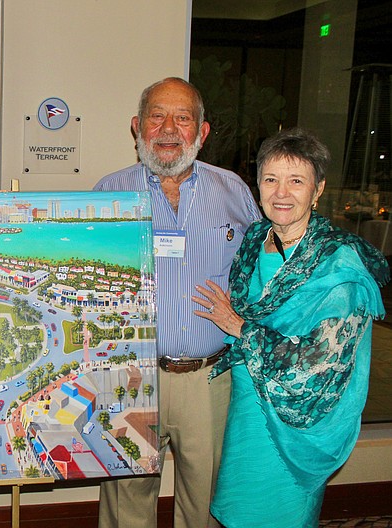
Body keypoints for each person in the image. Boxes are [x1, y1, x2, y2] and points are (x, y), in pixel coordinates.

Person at [193, 128, 389, 527]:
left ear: (317, 191)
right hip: (248, 404)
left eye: (296, 181)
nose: (281, 192)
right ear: (258, 187)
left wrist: (240, 328)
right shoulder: (252, 240)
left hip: (296, 421)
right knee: (236, 510)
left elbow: (322, 363)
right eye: (271, 179)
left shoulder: (338, 264)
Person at [92, 77, 261, 528]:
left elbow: (266, 271)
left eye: (183, 118)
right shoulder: (107, 194)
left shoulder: (235, 192)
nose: (169, 128)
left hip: (209, 380)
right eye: (157, 116)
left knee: (205, 501)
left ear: (202, 133)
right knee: (125, 498)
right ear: (136, 127)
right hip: (129, 375)